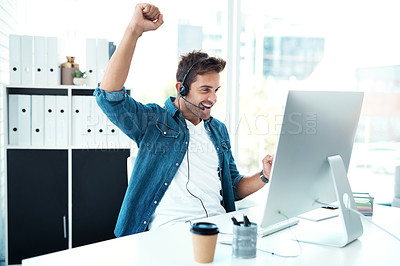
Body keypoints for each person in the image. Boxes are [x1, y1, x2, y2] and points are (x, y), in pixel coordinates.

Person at [94, 3, 273, 237]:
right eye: (205, 90)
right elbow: (110, 98)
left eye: (216, 90)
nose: (213, 99)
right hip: (172, 232)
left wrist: (264, 176)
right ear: (181, 88)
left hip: (220, 228)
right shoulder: (154, 121)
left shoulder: (218, 130)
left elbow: (233, 187)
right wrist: (133, 31)